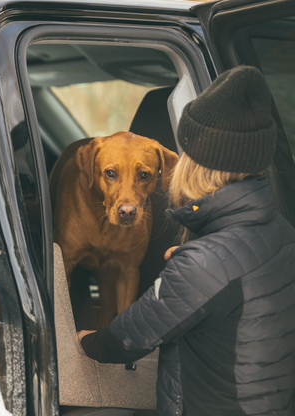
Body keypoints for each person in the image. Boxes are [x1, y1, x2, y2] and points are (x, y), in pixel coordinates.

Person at [78, 66, 295, 416]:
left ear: (197, 165)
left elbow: (130, 337)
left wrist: (84, 341)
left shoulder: (205, 263)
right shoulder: (282, 232)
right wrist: (200, 262)